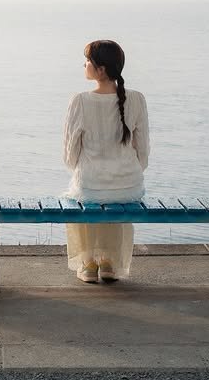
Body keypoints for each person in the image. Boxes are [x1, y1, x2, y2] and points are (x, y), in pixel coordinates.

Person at [62, 39, 149, 284]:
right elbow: (143, 150)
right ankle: (110, 263)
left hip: (91, 183)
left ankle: (89, 264)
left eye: (88, 61)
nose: (84, 64)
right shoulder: (137, 99)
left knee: (78, 194)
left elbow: (69, 155)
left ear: (100, 70)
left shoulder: (80, 101)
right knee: (114, 196)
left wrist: (87, 172)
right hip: (129, 184)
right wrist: (126, 172)